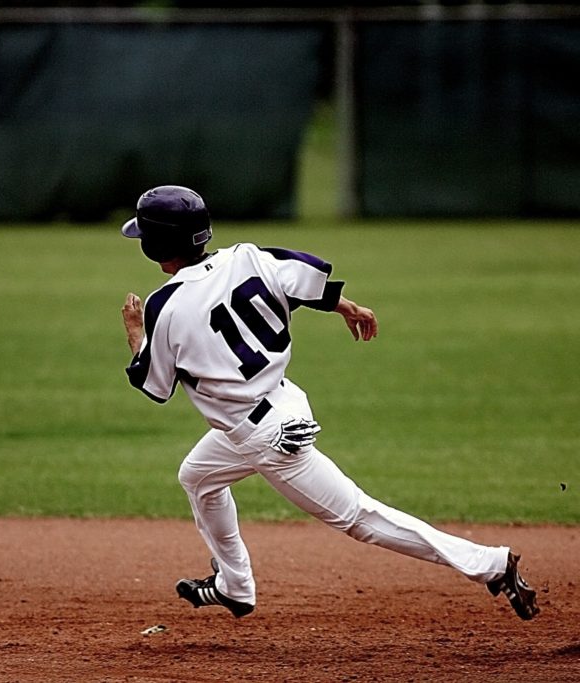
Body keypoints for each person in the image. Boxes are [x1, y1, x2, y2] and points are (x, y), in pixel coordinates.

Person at [119, 184, 539, 621]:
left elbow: (155, 385)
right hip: (280, 406)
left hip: (263, 436)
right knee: (198, 477)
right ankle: (235, 586)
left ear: (155, 245)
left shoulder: (162, 306)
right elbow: (304, 278)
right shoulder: (247, 256)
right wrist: (347, 307)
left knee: (360, 517)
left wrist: (136, 332)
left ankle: (490, 564)